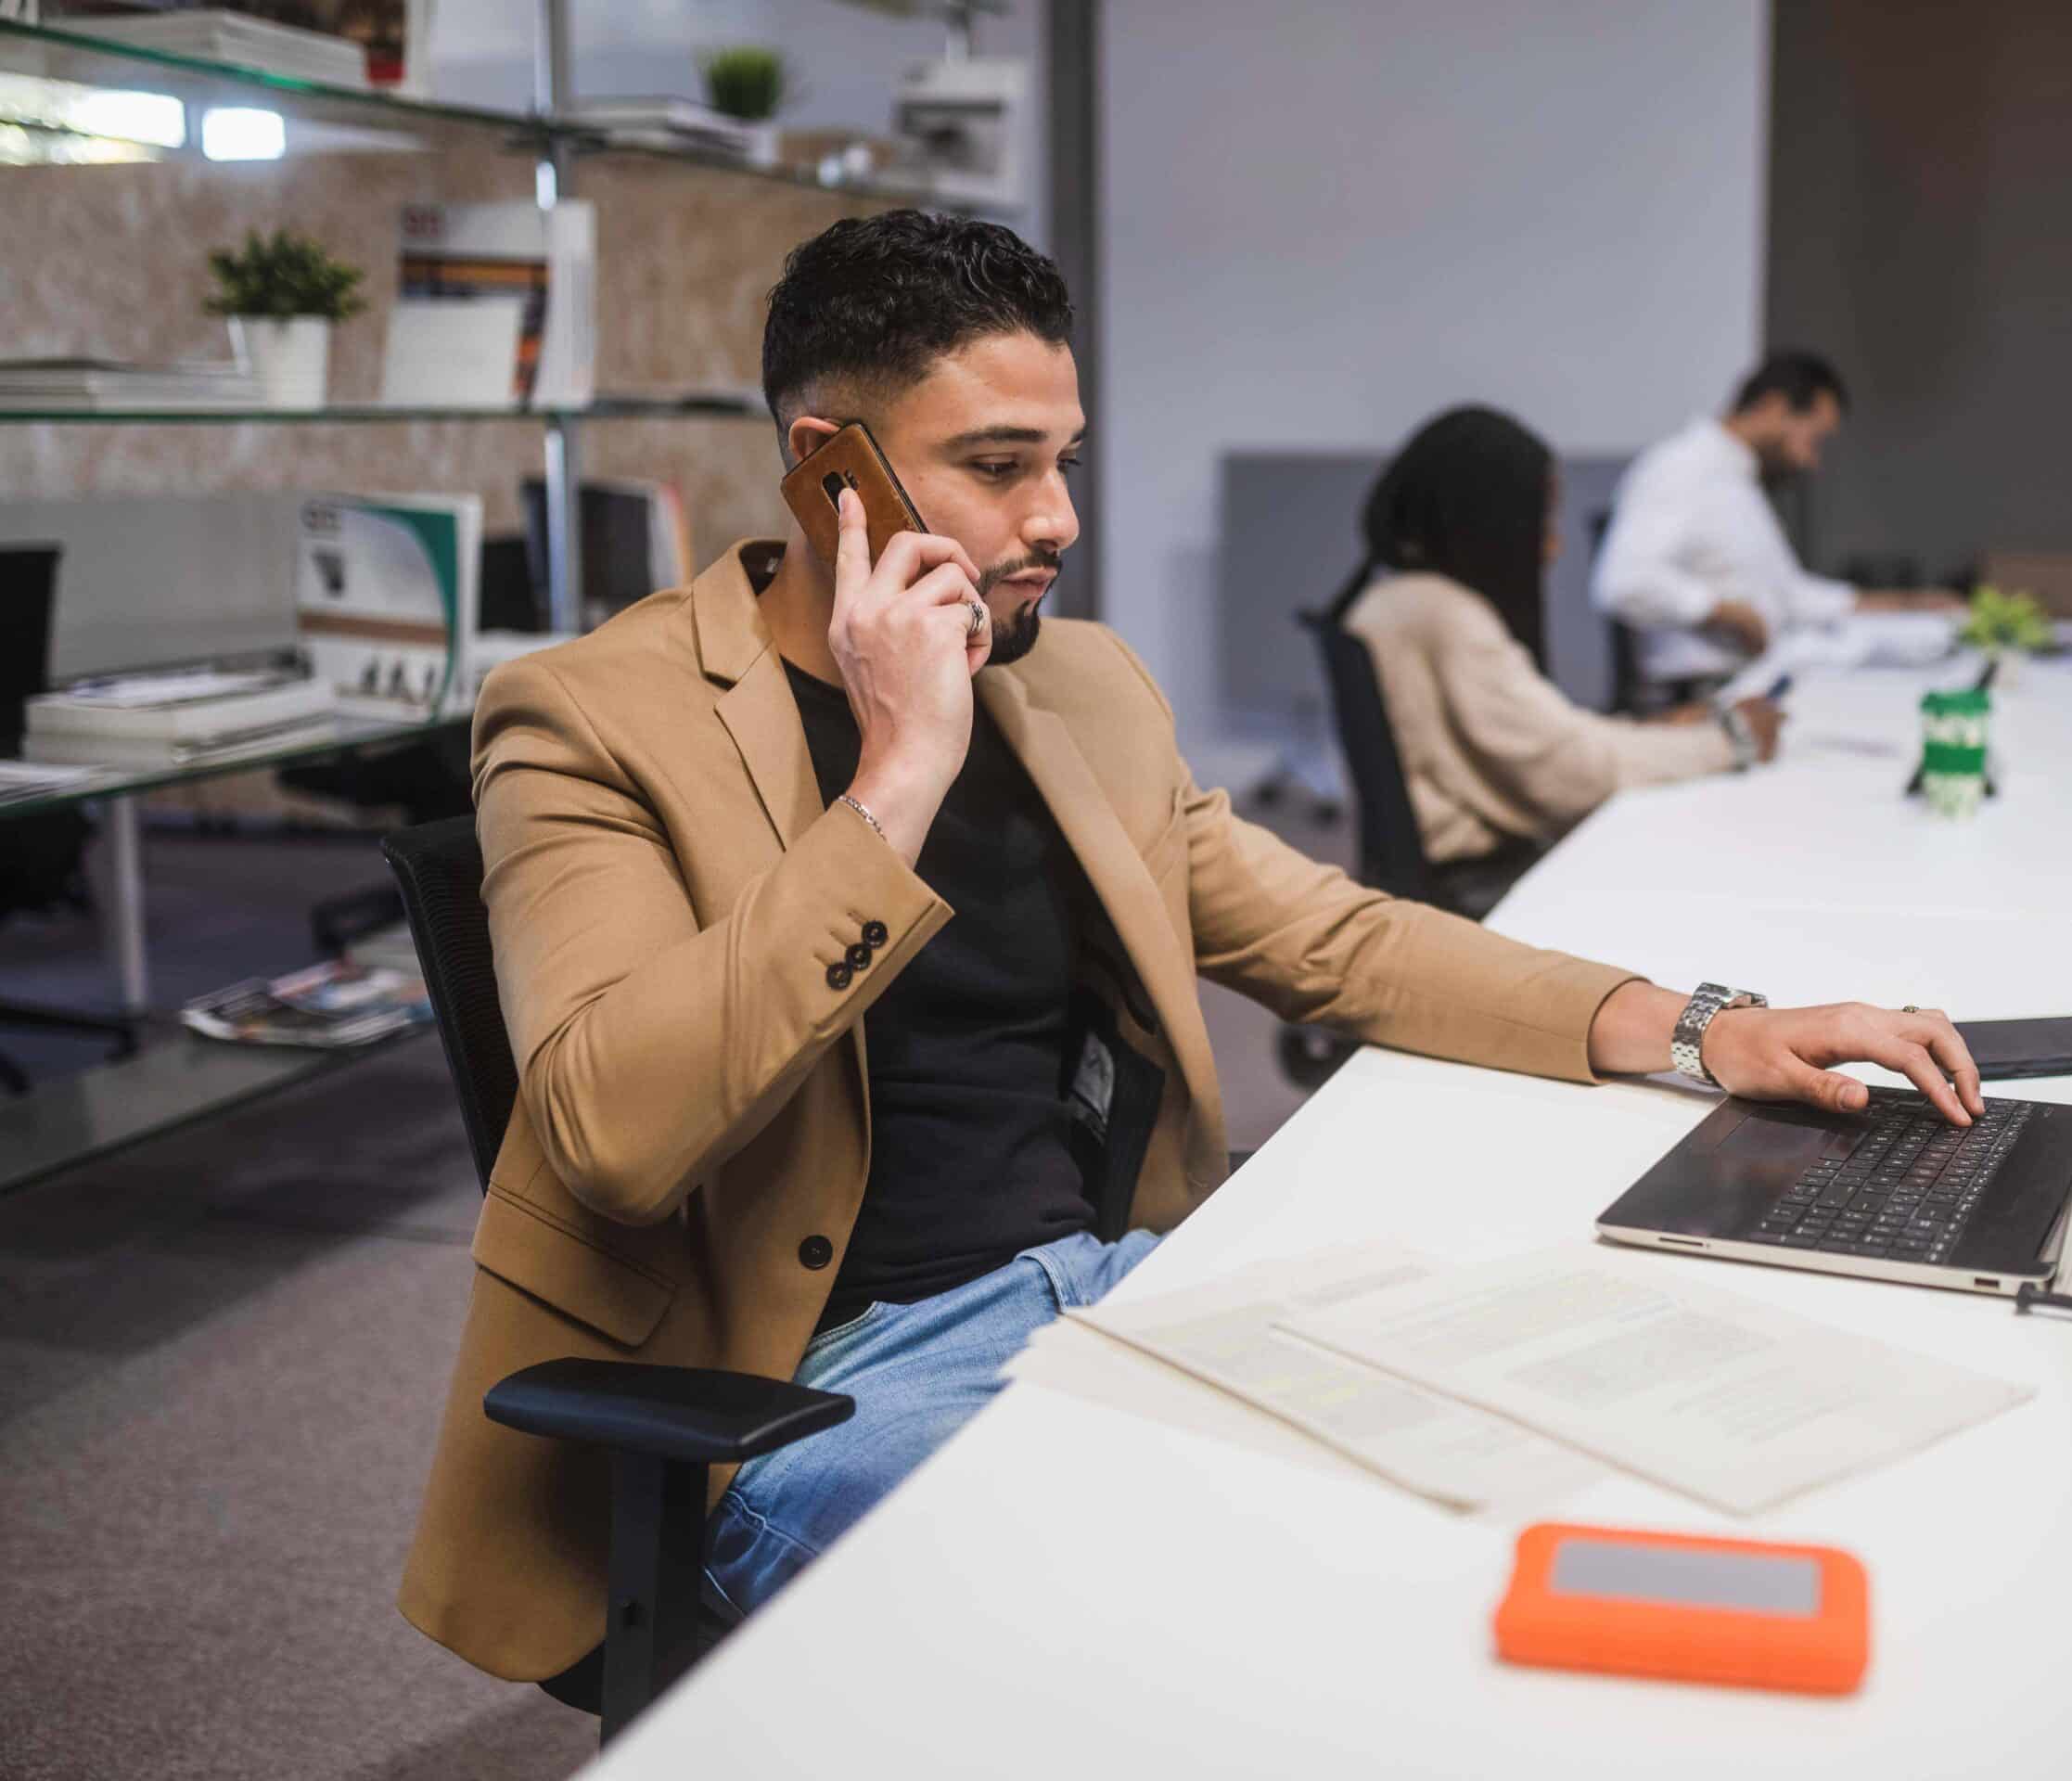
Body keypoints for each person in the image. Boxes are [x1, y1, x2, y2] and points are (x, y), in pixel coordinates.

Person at [395, 213, 1984, 1682]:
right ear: (830, 471)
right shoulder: (592, 720)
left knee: (1492, 1500)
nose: (1057, 520)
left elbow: (1338, 938)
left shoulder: (1072, 683)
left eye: (1067, 460)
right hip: (816, 1385)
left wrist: (1707, 1026)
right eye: (999, 464)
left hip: (1117, 1290)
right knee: (1221, 1634)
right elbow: (606, 1130)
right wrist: (894, 777)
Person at [1334, 405, 1782, 867]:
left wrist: (1650, 733)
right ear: (1488, 521)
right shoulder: (1444, 616)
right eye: (1541, 521)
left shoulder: (1392, 599)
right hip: (1484, 875)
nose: (1554, 545)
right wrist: (1731, 742)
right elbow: (1569, 772)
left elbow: (1546, 737)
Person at [1593, 351, 1958, 698]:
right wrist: (1724, 612)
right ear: (1774, 407)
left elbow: (1789, 596)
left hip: (1758, 678)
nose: (1811, 461)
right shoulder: (1681, 468)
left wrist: (1909, 602)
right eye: (1813, 439)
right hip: (1708, 693)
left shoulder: (1736, 480)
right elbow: (1624, 581)